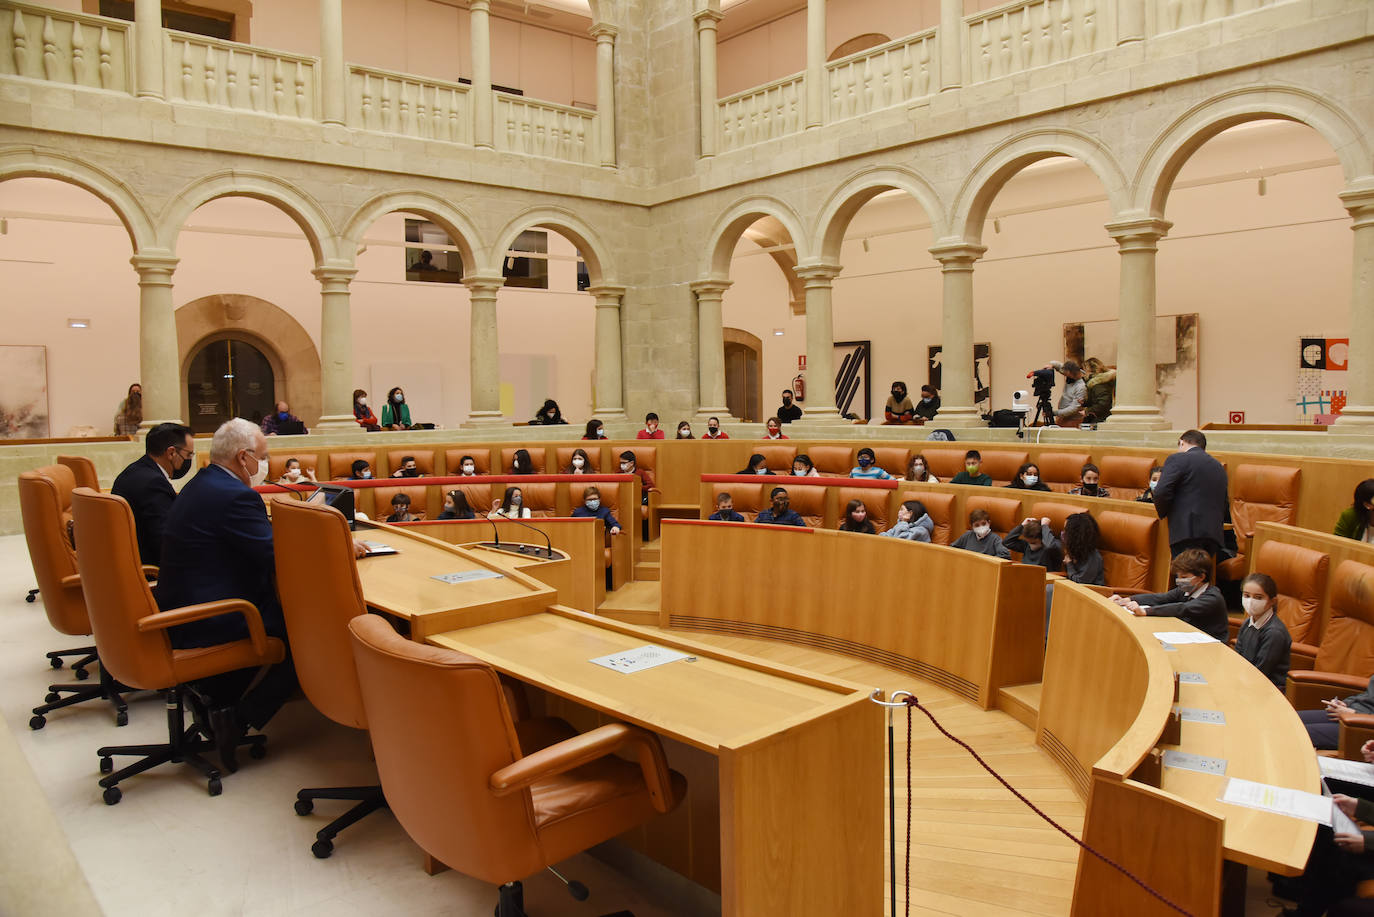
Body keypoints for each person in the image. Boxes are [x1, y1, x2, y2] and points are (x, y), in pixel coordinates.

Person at [156, 418, 329, 765]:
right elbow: (279, 558)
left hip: (183, 606)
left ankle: (218, 696)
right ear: (243, 457)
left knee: (291, 612)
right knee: (315, 630)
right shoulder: (235, 496)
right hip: (212, 617)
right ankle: (237, 718)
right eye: (262, 456)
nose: (265, 465)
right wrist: (325, 535)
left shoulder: (203, 483)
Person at [110, 421, 194, 567]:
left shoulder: (134, 471)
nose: (189, 460)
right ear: (171, 453)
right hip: (149, 571)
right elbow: (166, 544)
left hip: (126, 563)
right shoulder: (153, 484)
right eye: (189, 454)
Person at [1111, 548, 1229, 642]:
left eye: (1184, 577)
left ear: (1201, 577)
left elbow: (1183, 608)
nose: (1179, 580)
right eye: (1178, 576)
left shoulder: (1212, 598)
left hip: (1210, 645)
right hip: (1186, 637)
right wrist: (1127, 599)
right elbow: (1161, 598)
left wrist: (1146, 611)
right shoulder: (1185, 590)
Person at [1153, 429, 1229, 558]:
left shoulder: (1177, 459)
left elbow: (1161, 491)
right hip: (1213, 534)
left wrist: (1163, 512)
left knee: (1185, 574)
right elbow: (1224, 501)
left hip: (1186, 531)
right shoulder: (1218, 466)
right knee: (1201, 575)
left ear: (1182, 443)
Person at [1234, 572, 1291, 689]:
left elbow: (1261, 672)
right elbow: (1237, 659)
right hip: (1245, 682)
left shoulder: (1274, 633)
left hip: (1266, 690)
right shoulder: (1248, 623)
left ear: (1272, 601)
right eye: (1246, 595)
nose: (1250, 601)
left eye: (1258, 597)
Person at [1300, 677, 1374, 750]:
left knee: (1299, 733)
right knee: (1292, 721)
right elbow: (1367, 695)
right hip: (1350, 710)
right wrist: (1345, 703)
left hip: (1363, 726)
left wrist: (1355, 713)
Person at [1060, 512, 1105, 586]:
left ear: (1075, 534)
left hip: (1092, 593)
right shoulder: (1075, 550)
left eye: (1066, 530)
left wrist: (1069, 564)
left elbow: (1080, 582)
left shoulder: (1093, 557)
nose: (1063, 533)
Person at [1045, 360, 1086, 425]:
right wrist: (1051, 365)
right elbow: (1057, 365)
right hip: (1063, 416)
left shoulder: (1081, 387)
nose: (1066, 376)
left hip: (1073, 420)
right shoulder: (1071, 373)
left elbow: (1074, 408)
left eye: (1068, 375)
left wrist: (1054, 413)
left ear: (1073, 374)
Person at [1082, 358, 1116, 425]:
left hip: (1101, 419)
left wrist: (1087, 411)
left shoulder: (1098, 384)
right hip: (1101, 417)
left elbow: (1104, 403)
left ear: (1091, 371)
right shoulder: (1099, 382)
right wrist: (1084, 402)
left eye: (1085, 371)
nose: (1084, 374)